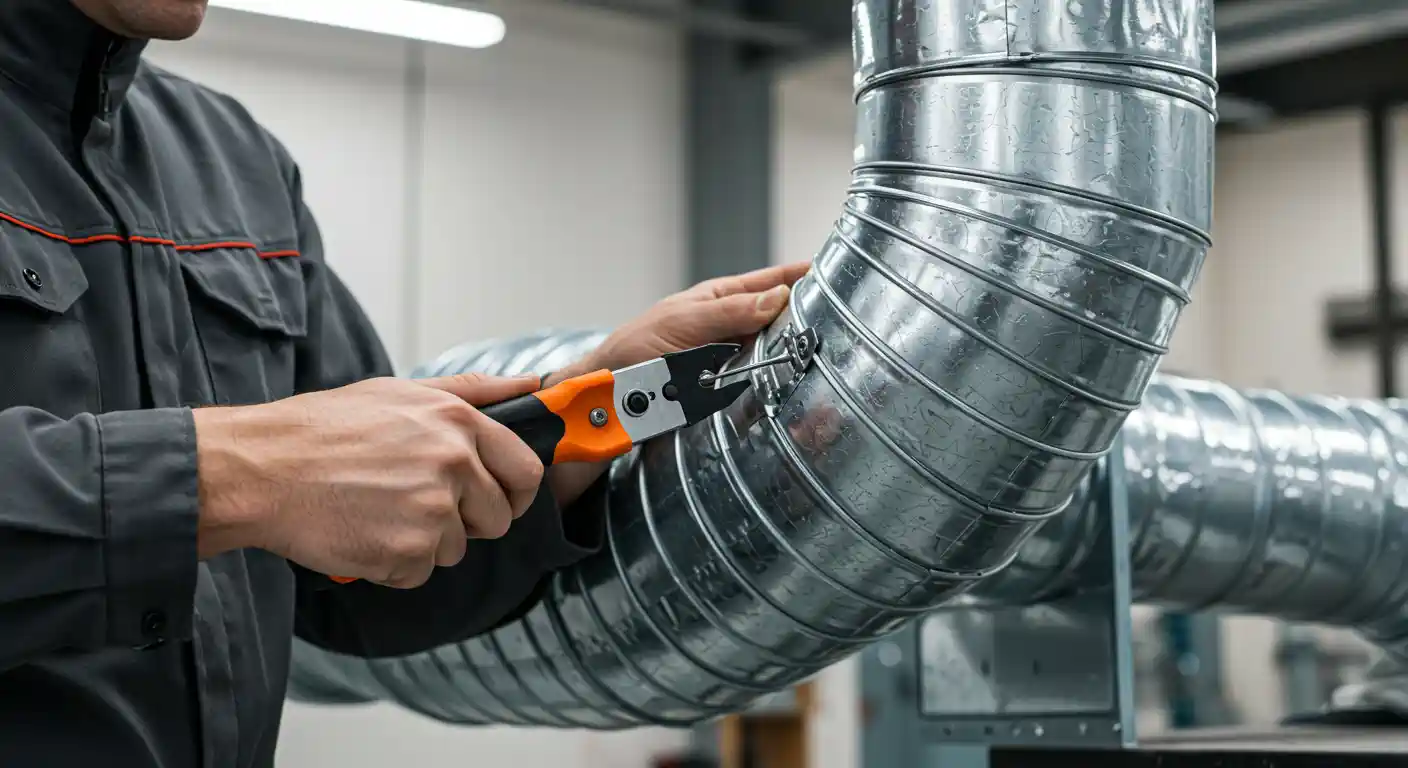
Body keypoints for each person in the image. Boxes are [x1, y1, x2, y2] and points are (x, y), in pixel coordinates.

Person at [0, 1, 809, 764]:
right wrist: (235, 472)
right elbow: (271, 475)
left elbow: (354, 580)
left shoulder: (233, 162)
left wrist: (588, 407)